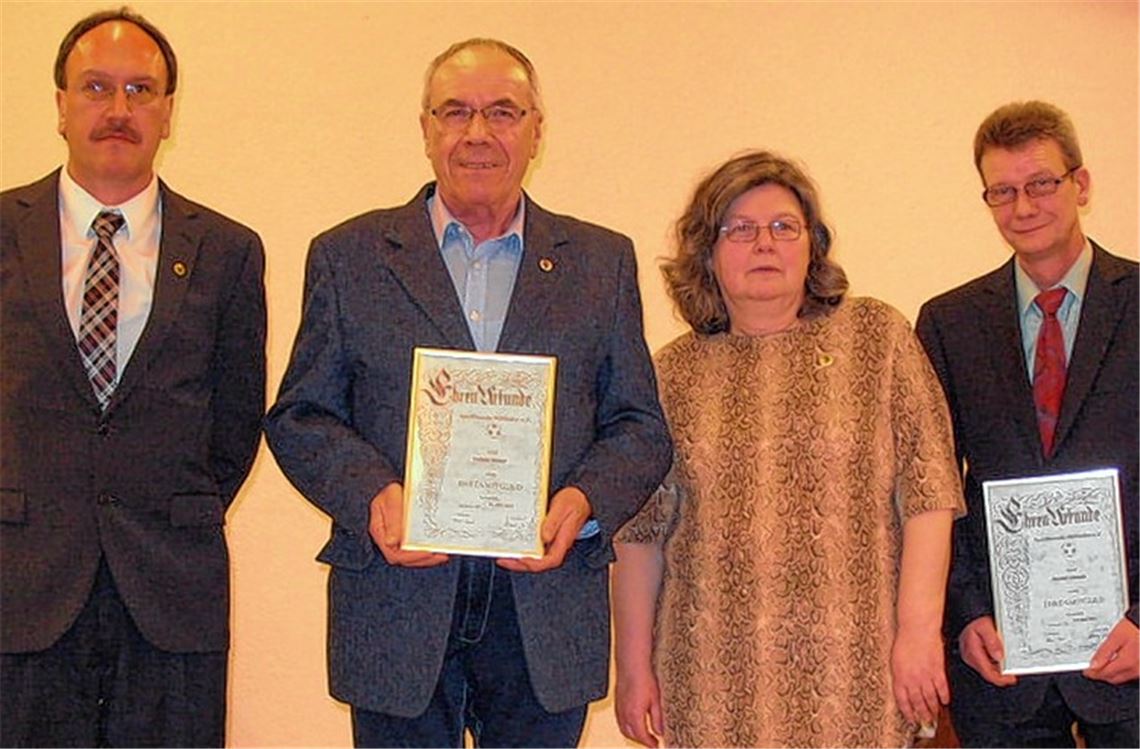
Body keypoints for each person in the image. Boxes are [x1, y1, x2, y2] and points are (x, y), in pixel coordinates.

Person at [263, 38, 670, 748]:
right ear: (425, 129)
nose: (478, 133)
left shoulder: (602, 262)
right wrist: (371, 494)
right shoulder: (349, 256)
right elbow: (301, 413)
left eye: (503, 112)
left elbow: (639, 426)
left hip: (544, 605)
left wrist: (581, 503)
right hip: (397, 600)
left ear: (536, 129)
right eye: (456, 112)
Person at [612, 150, 965, 748]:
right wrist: (633, 667)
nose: (765, 245)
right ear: (707, 252)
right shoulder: (670, 375)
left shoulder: (877, 340)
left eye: (783, 227)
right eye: (741, 230)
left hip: (858, 673)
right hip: (709, 682)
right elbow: (639, 536)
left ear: (812, 245)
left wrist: (918, 633)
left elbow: (931, 492)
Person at [0, 8, 266, 748]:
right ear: (59, 104)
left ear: (168, 111)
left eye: (140, 90)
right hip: (19, 591)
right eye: (96, 87)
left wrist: (169, 505)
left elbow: (235, 425)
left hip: (170, 595)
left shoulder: (228, 251)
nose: (118, 110)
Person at [916, 101, 1138, 747]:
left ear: (1082, 184)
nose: (1023, 206)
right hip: (1001, 657)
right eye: (1002, 191)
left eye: (1041, 183)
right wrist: (965, 613)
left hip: (1130, 650)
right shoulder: (948, 323)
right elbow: (932, 487)